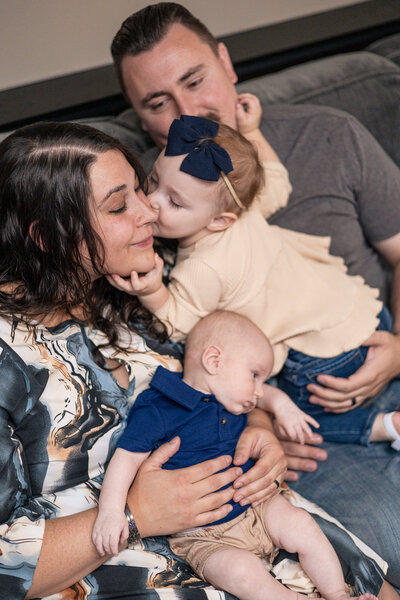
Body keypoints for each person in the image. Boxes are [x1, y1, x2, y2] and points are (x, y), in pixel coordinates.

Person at [110, 3, 400, 586]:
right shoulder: (149, 202)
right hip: (293, 417)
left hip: (374, 341)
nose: (186, 111)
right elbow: (186, 354)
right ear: (141, 119)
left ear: (226, 62)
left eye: (194, 81)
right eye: (157, 103)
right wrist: (258, 424)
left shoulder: (328, 133)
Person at [0, 120, 288, 600]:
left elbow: (221, 360)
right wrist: (136, 514)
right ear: (48, 237)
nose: (149, 210)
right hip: (132, 564)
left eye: (141, 188)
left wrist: (258, 424)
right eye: (119, 205)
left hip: (251, 515)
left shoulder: (144, 277)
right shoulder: (8, 357)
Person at [112, 112, 400, 450]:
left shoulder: (204, 266)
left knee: (291, 413)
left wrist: (153, 290)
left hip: (324, 356)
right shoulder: (244, 206)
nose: (154, 203)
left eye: (175, 201)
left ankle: (384, 426)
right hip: (366, 313)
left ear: (220, 221)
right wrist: (252, 131)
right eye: (153, 180)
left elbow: (181, 322)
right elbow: (278, 183)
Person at [92, 310, 379, 600]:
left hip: (257, 506)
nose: (258, 392)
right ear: (214, 361)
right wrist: (112, 512)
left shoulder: (230, 397)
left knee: (302, 524)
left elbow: (265, 395)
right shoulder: (160, 405)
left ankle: (338, 595)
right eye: (254, 376)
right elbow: (126, 458)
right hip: (200, 535)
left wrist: (283, 406)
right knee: (241, 573)